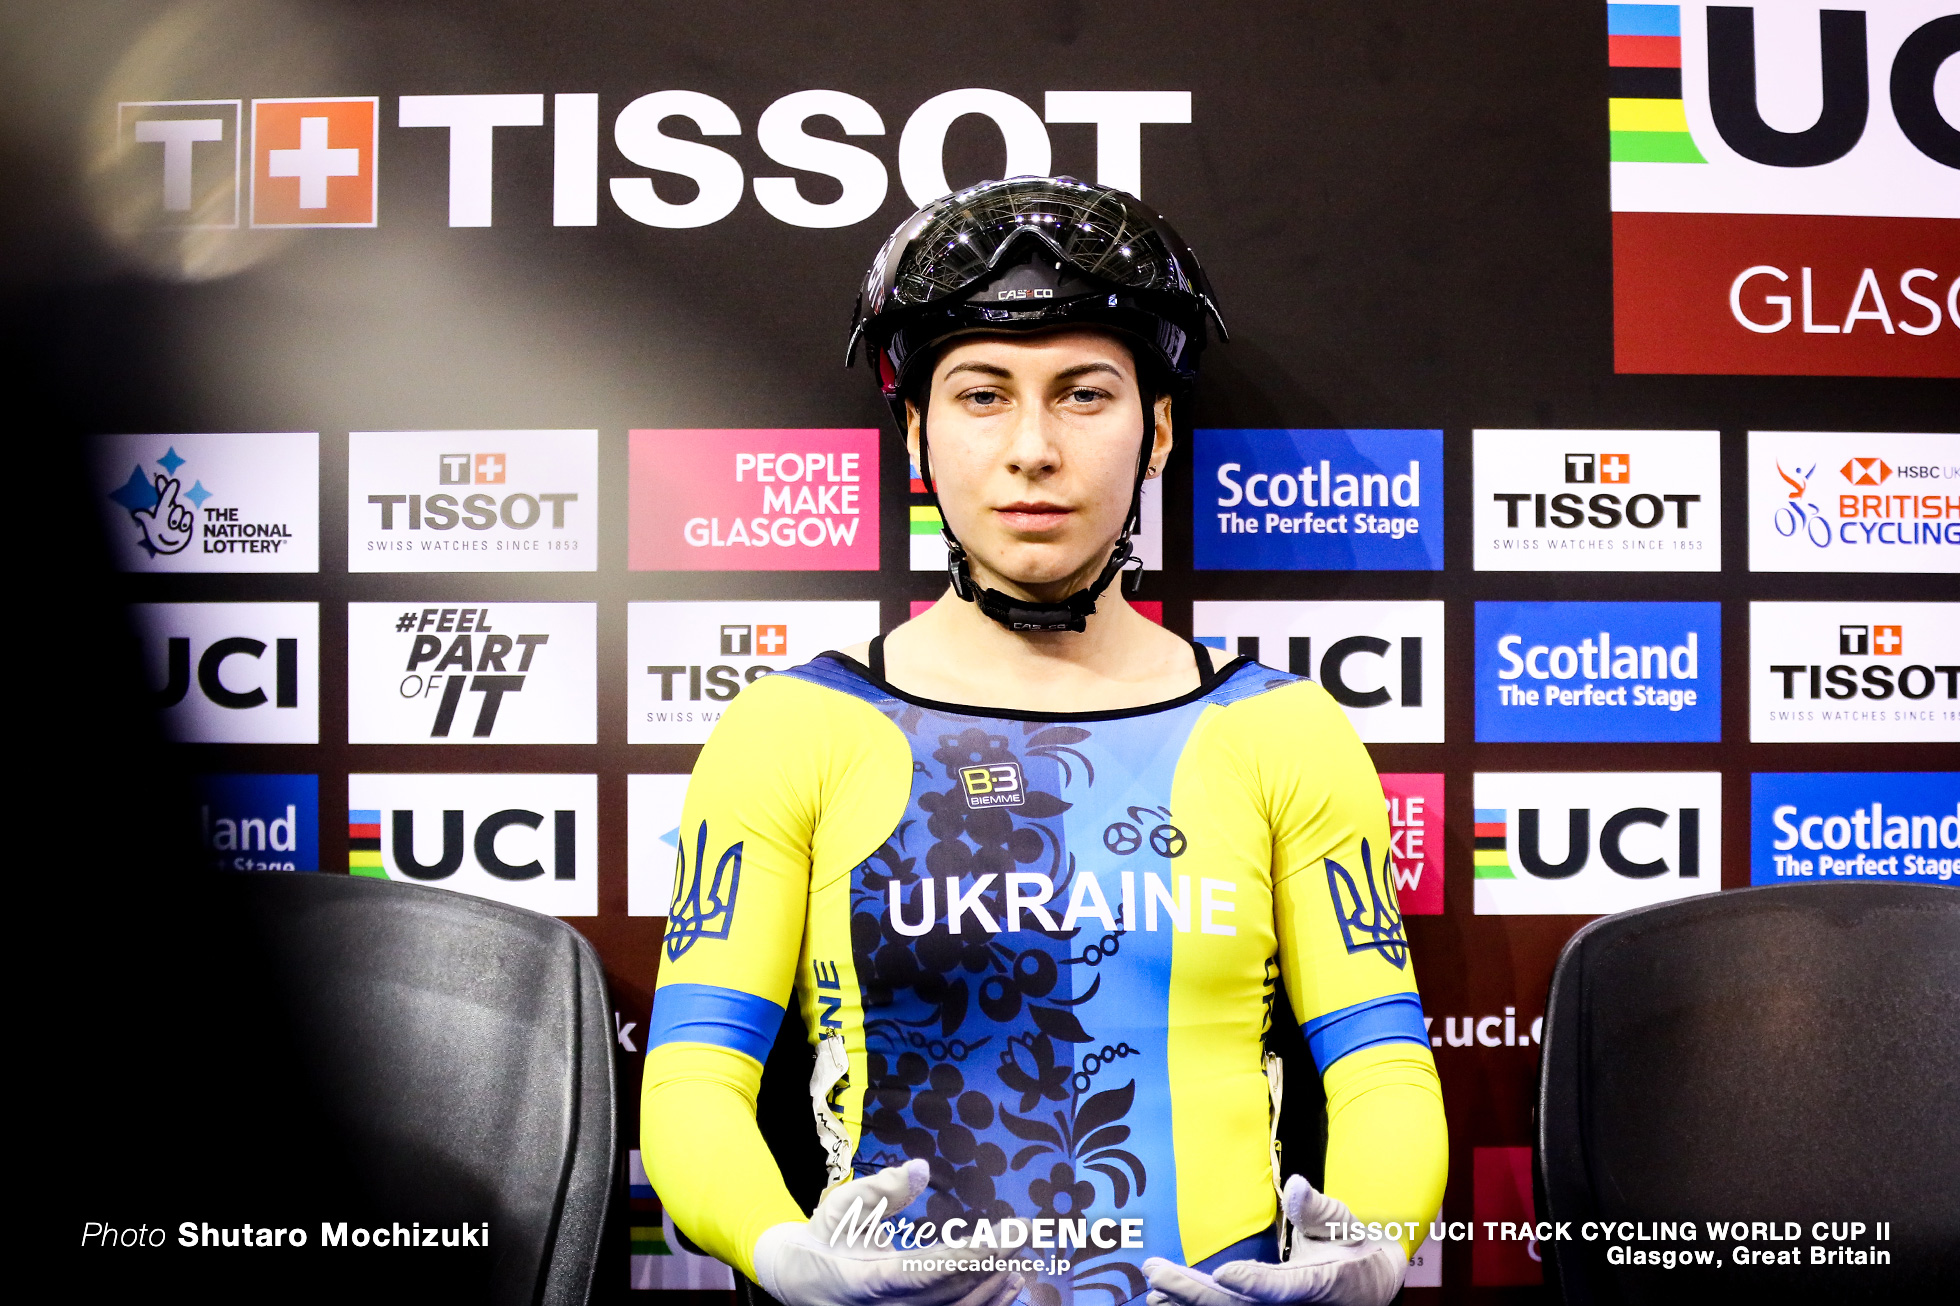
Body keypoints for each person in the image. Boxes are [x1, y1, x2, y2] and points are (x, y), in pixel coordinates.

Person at [641, 177, 1447, 1306]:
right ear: (916, 430)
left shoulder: (1283, 731)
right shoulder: (794, 729)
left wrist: (1367, 1249)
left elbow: (1380, 1071)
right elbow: (690, 1079)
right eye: (981, 394)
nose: (1032, 447)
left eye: (1083, 394)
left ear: (1156, 430)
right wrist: (782, 1255)